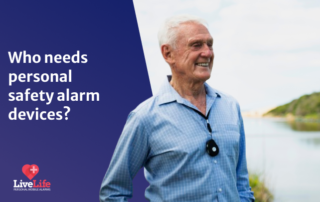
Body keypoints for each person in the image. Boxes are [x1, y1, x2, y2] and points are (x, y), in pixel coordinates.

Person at [99, 15, 254, 202]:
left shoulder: (230, 107)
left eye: (210, 44)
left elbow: (242, 183)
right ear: (168, 54)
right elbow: (113, 192)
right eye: (196, 45)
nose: (208, 53)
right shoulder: (145, 117)